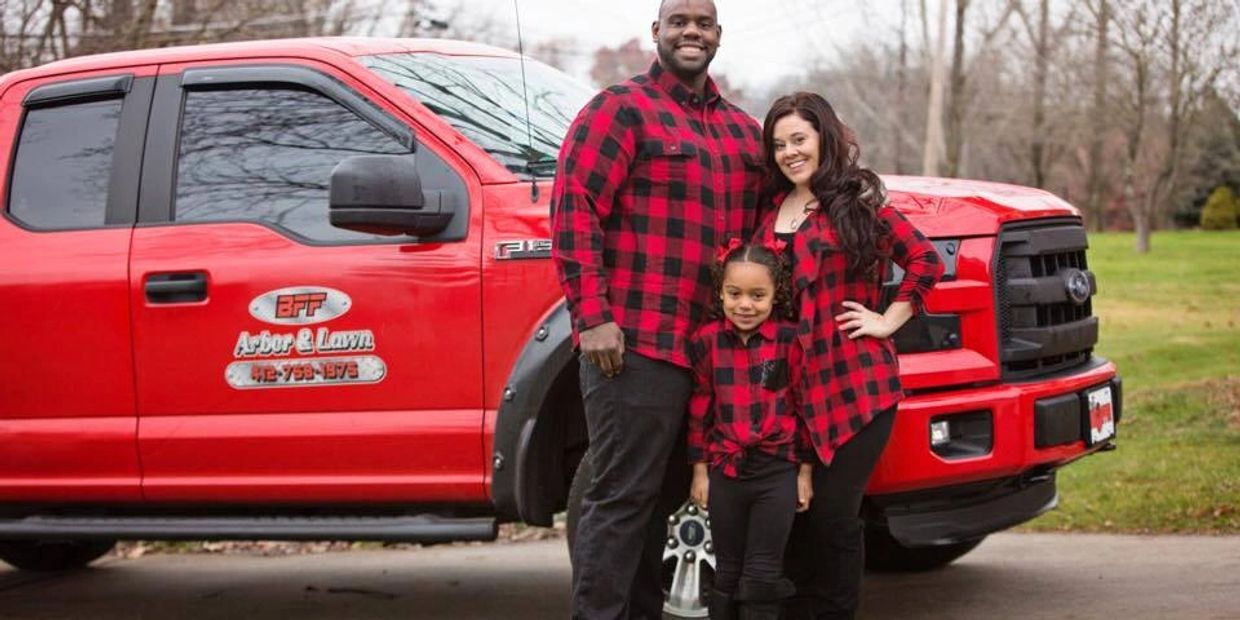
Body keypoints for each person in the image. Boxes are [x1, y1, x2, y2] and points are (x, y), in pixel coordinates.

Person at [550, 0, 764, 617]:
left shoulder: (743, 132)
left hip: (709, 353)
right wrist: (592, 317)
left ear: (718, 36)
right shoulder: (620, 110)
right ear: (658, 33)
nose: (691, 31)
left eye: (703, 23)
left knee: (669, 503)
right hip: (635, 347)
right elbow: (574, 209)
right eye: (679, 22)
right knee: (621, 499)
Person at [753, 92, 944, 620]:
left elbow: (925, 260)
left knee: (835, 519)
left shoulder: (855, 203)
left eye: (799, 139)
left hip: (854, 388)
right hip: (787, 395)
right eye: (779, 145)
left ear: (824, 140)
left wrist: (887, 320)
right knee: (789, 515)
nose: (790, 152)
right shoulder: (770, 211)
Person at [686, 240, 814, 620]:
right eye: (735, 294)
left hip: (777, 472)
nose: (746, 305)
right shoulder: (707, 342)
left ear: (776, 295)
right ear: (721, 292)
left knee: (761, 574)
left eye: (758, 295)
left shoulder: (790, 341)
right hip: (726, 471)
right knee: (727, 571)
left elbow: (804, 406)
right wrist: (699, 470)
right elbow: (698, 410)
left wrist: (805, 471)